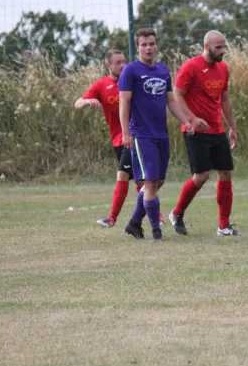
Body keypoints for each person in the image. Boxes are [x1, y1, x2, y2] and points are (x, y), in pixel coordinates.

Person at [118, 28, 193, 241]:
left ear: (156, 45)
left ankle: (134, 222)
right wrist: (126, 133)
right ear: (138, 47)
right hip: (142, 135)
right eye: (144, 45)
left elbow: (171, 101)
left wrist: (186, 121)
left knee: (158, 181)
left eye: (151, 44)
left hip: (161, 134)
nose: (148, 48)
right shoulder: (131, 71)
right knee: (149, 183)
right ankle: (156, 232)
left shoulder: (162, 70)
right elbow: (124, 102)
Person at [168, 30, 240, 237]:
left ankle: (224, 226)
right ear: (207, 46)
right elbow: (177, 95)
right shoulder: (190, 67)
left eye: (224, 46)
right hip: (194, 130)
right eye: (219, 47)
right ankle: (177, 213)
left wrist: (232, 127)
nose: (223, 51)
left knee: (226, 172)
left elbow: (225, 99)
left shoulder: (223, 68)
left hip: (216, 129)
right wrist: (191, 119)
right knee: (201, 176)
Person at [74, 49, 141, 228]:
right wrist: (88, 101)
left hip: (134, 137)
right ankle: (155, 213)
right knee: (139, 180)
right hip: (117, 140)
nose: (122, 66)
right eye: (118, 63)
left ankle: (112, 219)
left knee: (123, 174)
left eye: (124, 62)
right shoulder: (102, 85)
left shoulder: (133, 82)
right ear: (108, 65)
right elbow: (77, 103)